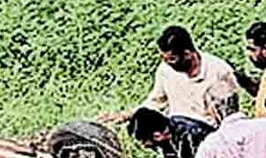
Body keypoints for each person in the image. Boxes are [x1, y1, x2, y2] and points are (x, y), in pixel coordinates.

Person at [100, 25, 239, 127]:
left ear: (187, 53)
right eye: (164, 58)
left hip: (210, 134)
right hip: (177, 131)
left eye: (172, 59)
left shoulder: (219, 71)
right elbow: (155, 103)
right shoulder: (165, 71)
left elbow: (229, 119)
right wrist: (126, 115)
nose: (167, 63)